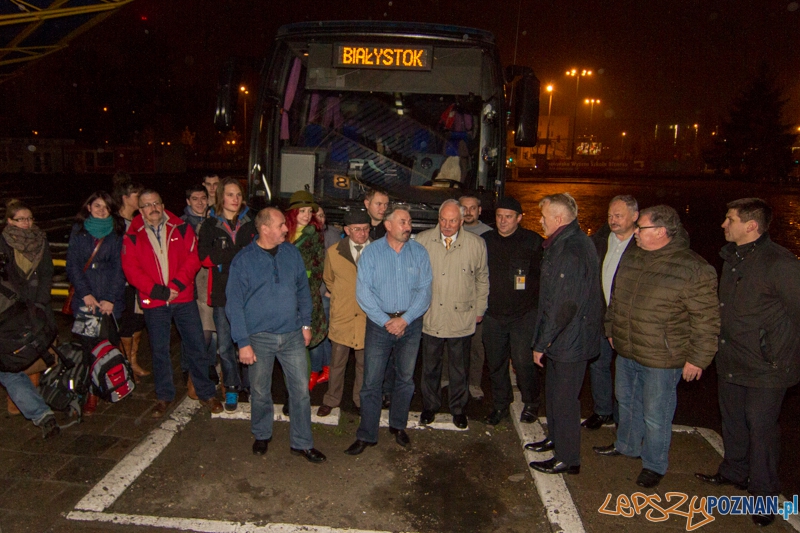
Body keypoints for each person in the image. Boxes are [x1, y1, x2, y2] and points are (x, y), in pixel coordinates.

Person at [596, 205, 719, 489]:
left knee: (656, 412)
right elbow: (617, 297)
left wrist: (698, 359)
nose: (636, 233)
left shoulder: (694, 268)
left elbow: (706, 319)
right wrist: (611, 328)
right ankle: (626, 445)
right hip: (628, 349)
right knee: (625, 401)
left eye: (642, 228)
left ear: (662, 232)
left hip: (663, 357)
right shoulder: (635, 256)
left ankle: (654, 463)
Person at [695, 198, 800, 527]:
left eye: (730, 220)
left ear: (751, 226)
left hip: (767, 367)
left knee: (762, 429)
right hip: (732, 357)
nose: (724, 225)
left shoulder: (780, 263)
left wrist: (777, 352)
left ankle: (765, 496)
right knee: (734, 422)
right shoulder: (734, 258)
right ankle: (735, 471)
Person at [225, 207, 326, 462]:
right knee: (260, 390)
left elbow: (303, 290)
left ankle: (302, 443)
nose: (285, 228)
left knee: (301, 391)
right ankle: (262, 433)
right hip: (259, 337)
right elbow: (234, 304)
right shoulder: (244, 261)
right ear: (264, 228)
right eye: (281, 225)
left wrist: (306, 325)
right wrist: (243, 342)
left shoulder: (291, 253)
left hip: (292, 334)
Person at [121, 189, 223, 418]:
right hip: (154, 300)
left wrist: (175, 285)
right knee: (159, 350)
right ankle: (164, 396)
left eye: (156, 203)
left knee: (196, 345)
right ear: (140, 209)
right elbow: (131, 268)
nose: (153, 208)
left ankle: (206, 392)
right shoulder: (133, 234)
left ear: (163, 204)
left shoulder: (181, 227)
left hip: (183, 297)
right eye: (147, 205)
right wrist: (158, 291)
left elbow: (193, 257)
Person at [525, 193, 604, 476]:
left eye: (544, 217)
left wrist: (542, 342)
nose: (541, 222)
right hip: (566, 338)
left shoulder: (570, 250)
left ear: (559, 219)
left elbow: (562, 304)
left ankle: (567, 458)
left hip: (570, 339)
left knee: (566, 400)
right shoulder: (567, 242)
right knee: (556, 395)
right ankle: (556, 440)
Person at [345, 205, 432, 455]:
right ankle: (367, 434)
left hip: (411, 324)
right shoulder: (372, 253)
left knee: (404, 379)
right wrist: (386, 321)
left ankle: (398, 426)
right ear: (388, 225)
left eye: (409, 222)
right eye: (403, 222)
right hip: (379, 325)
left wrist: (404, 320)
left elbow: (424, 292)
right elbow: (364, 293)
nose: (408, 227)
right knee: (371, 382)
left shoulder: (419, 252)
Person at [416, 199, 488, 429]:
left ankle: (458, 408)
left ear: (462, 219)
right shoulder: (423, 241)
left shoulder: (476, 244)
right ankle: (430, 406)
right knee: (430, 366)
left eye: (452, 220)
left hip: (461, 316)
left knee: (459, 367)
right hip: (431, 315)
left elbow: (482, 279)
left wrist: (479, 309)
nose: (447, 225)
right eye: (443, 220)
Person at [481, 197, 543, 426]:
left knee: (523, 360)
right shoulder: (485, 241)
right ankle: (500, 404)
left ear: (519, 218)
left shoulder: (534, 242)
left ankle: (531, 401)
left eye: (508, 216)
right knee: (495, 363)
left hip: (523, 314)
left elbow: (542, 279)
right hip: (493, 313)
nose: (503, 221)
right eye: (499, 216)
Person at [0, 200, 59, 438]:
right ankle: (40, 413)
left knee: (12, 365)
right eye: (20, 219)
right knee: (8, 367)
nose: (26, 223)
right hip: (8, 312)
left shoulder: (40, 241)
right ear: (9, 221)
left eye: (29, 218)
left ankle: (40, 413)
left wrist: (39, 302)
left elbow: (47, 273)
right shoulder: (2, 243)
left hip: (33, 309)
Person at [198, 178, 257, 412]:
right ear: (221, 197)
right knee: (224, 345)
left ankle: (251, 386)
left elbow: (259, 253)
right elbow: (204, 258)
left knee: (249, 341)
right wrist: (235, 254)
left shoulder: (251, 222)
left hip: (250, 293)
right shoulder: (210, 225)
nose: (235, 199)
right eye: (230, 195)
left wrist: (224, 254)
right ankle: (231, 387)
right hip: (222, 293)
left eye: (238, 195)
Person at [66, 191, 127, 415]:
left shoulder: (117, 231)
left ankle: (111, 384)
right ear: (89, 207)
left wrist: (110, 298)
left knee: (108, 344)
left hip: (109, 296)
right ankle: (90, 392)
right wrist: (85, 294)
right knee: (87, 346)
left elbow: (120, 268)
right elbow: (72, 264)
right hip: (86, 297)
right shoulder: (79, 231)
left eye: (106, 207)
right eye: (97, 206)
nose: (102, 210)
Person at [582, 195, 639, 430]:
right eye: (610, 216)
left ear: (635, 217)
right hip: (601, 315)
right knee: (598, 364)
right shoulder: (600, 240)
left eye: (618, 216)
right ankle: (603, 410)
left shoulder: (642, 245)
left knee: (628, 371)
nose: (613, 220)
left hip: (629, 320)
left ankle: (625, 416)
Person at [317, 210, 371, 417]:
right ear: (347, 230)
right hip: (343, 315)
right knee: (337, 362)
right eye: (357, 229)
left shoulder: (377, 250)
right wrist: (343, 294)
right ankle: (331, 399)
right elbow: (329, 279)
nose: (362, 233)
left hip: (368, 317)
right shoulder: (334, 252)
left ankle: (360, 399)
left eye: (366, 229)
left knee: (364, 363)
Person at [285, 191, 329, 390]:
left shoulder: (314, 233)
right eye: (301, 211)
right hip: (283, 296)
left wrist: (306, 284)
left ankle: (304, 381)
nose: (305, 215)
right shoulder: (284, 232)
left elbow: (318, 267)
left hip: (306, 295)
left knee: (306, 341)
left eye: (308, 211)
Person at [112, 176, 150, 380]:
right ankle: (125, 365)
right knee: (126, 323)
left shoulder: (139, 221)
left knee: (137, 321)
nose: (141, 198)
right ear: (125, 197)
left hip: (139, 281)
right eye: (137, 195)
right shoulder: (114, 223)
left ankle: (132, 362)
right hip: (122, 283)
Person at [181, 184, 216, 401]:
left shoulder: (214, 220)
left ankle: (208, 367)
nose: (200, 202)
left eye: (203, 198)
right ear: (188, 201)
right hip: (191, 282)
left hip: (209, 282)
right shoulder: (181, 224)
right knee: (198, 332)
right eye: (195, 198)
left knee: (211, 332)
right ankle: (193, 371)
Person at [458, 195, 492, 400]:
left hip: (475, 300)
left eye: (472, 208)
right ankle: (447, 378)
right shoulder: (451, 230)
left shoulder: (488, 236)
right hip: (453, 298)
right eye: (464, 208)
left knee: (477, 345)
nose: (468, 212)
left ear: (479, 210)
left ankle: (474, 383)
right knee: (449, 343)